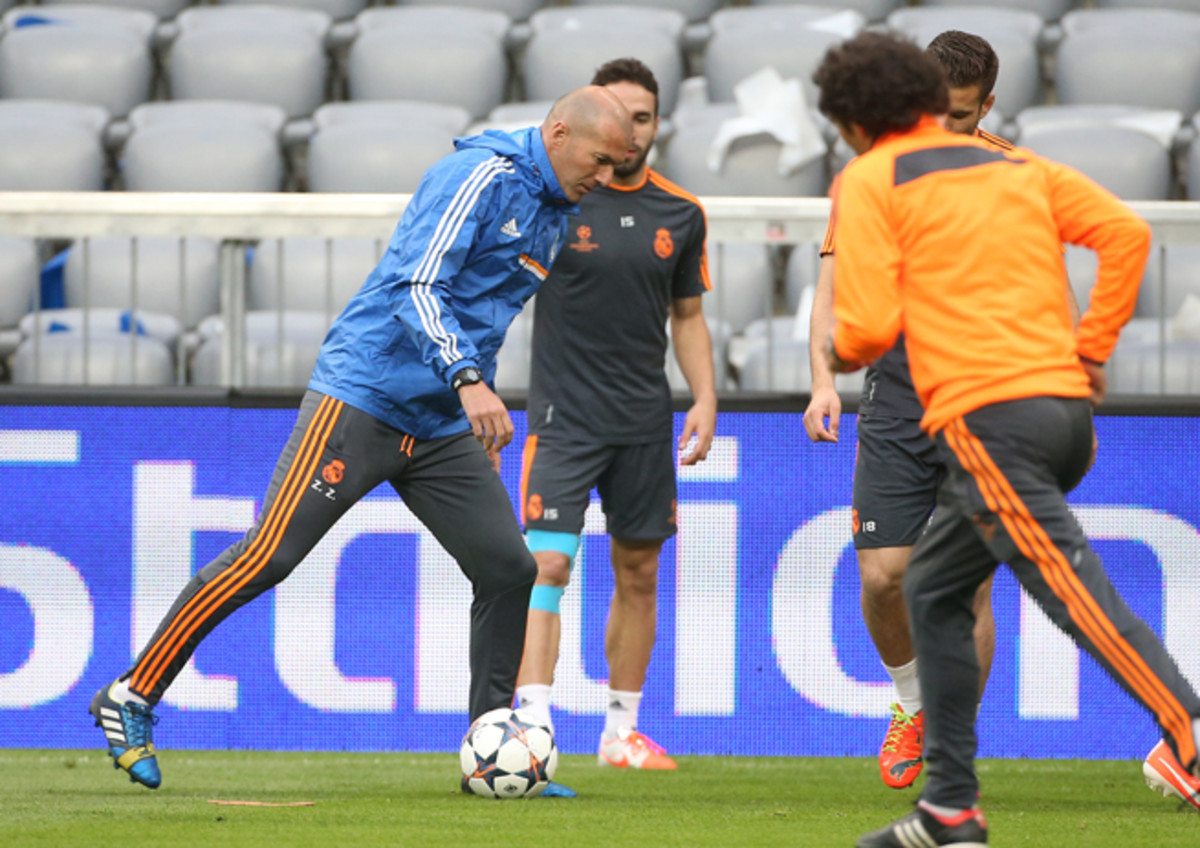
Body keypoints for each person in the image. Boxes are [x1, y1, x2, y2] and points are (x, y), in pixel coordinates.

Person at [89, 87, 633, 790]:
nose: (605, 177)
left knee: (509, 570)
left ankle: (494, 755)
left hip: (439, 423)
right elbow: (415, 287)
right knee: (269, 556)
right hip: (364, 397)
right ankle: (131, 694)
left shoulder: (557, 214)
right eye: (599, 160)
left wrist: (473, 401)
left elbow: (484, 310)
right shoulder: (482, 176)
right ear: (559, 132)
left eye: (619, 167)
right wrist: (470, 379)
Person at [812, 32, 1200, 846]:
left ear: (854, 122)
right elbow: (1127, 238)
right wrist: (1092, 351)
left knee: (1075, 595)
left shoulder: (872, 176)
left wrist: (845, 350)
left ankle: (1191, 737)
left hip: (991, 420)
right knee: (930, 590)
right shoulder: (1018, 168)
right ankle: (949, 808)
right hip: (1060, 412)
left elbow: (870, 324)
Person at [803, 29, 1015, 791]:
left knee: (969, 584)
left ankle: (950, 742)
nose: (944, 127)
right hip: (895, 391)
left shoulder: (1013, 175)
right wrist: (823, 378)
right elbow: (833, 282)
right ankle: (913, 702)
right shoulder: (871, 172)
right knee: (883, 575)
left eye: (961, 115)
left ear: (987, 106)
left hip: (983, 396)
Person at [513, 58, 716, 796]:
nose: (632, 131)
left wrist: (704, 396)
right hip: (564, 419)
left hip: (641, 421)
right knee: (546, 566)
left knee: (640, 571)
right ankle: (532, 722)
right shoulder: (558, 200)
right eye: (622, 115)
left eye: (645, 117)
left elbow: (688, 316)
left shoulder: (681, 213)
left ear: (657, 123)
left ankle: (621, 730)